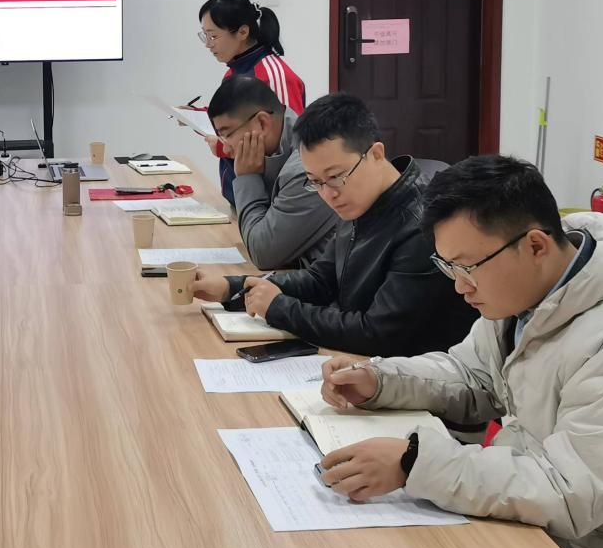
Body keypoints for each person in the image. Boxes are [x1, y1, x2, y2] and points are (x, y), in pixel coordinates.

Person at [315, 155, 603, 548]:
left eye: (468, 267)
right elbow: (473, 376)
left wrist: (414, 463)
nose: (459, 285)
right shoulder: (531, 292)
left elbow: (572, 492)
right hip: (528, 522)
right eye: (449, 267)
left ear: (536, 246)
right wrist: (380, 380)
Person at [196, 92, 476, 356]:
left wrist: (279, 308)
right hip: (359, 360)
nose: (328, 194)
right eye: (315, 181)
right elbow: (320, 280)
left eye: (335, 176)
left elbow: (378, 333)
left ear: (376, 154)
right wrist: (233, 287)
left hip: (407, 373)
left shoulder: (421, 226)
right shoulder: (360, 201)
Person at [194, 74, 336, 272]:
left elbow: (263, 253)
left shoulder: (308, 167)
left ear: (262, 123)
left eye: (227, 135)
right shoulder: (276, 150)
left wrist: (247, 178)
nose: (225, 149)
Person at [197, 0, 307, 205]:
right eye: (204, 36)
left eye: (213, 36)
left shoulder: (274, 75)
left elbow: (288, 147)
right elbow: (241, 118)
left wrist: (224, 147)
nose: (208, 44)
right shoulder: (234, 71)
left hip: (271, 202)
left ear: (242, 32)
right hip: (242, 196)